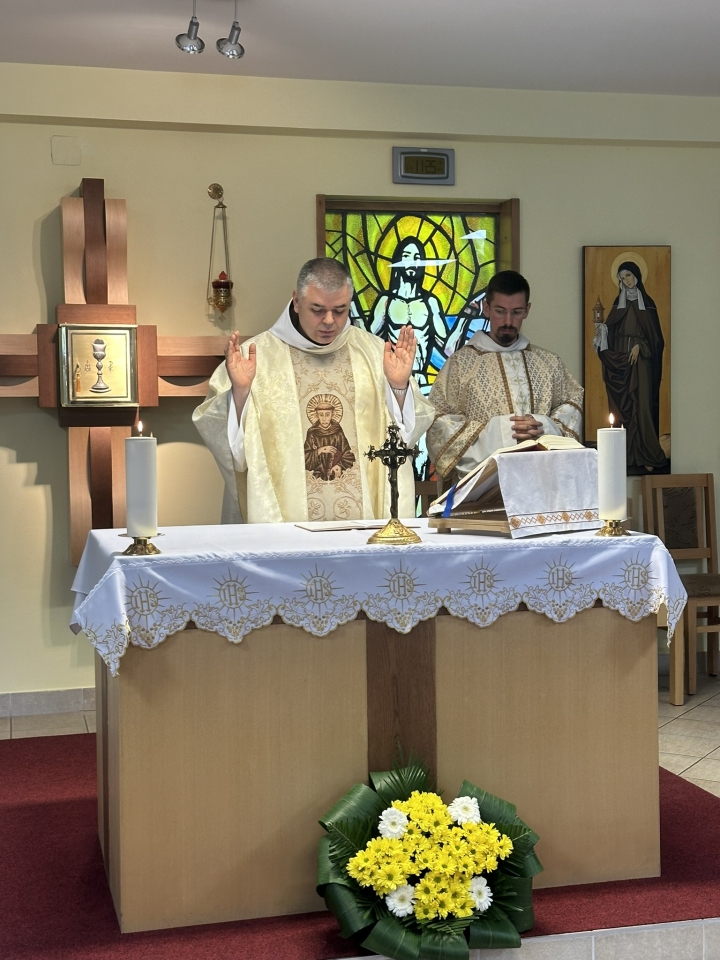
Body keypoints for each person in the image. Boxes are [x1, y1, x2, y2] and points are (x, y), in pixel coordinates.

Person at [193, 258, 434, 523]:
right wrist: (240, 393)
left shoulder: (375, 354)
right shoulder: (254, 358)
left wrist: (398, 387)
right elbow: (234, 454)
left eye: (340, 310)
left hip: (364, 526)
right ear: (297, 301)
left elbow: (402, 443)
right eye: (317, 309)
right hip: (287, 529)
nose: (329, 321)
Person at [427, 270, 583, 480]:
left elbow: (573, 402)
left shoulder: (549, 363)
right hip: (486, 486)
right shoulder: (460, 365)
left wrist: (544, 426)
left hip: (541, 482)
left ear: (527, 310)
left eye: (516, 312)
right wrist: (498, 431)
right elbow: (438, 423)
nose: (508, 321)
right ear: (486, 308)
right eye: (500, 311)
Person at [592, 261, 668, 474]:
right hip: (620, 361)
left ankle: (648, 455)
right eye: (622, 277)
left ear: (636, 275)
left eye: (628, 275)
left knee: (641, 407)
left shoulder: (648, 304)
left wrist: (640, 345)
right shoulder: (619, 302)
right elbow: (610, 329)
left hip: (641, 362)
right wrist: (602, 333)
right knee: (622, 408)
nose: (626, 280)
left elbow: (656, 340)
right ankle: (625, 454)